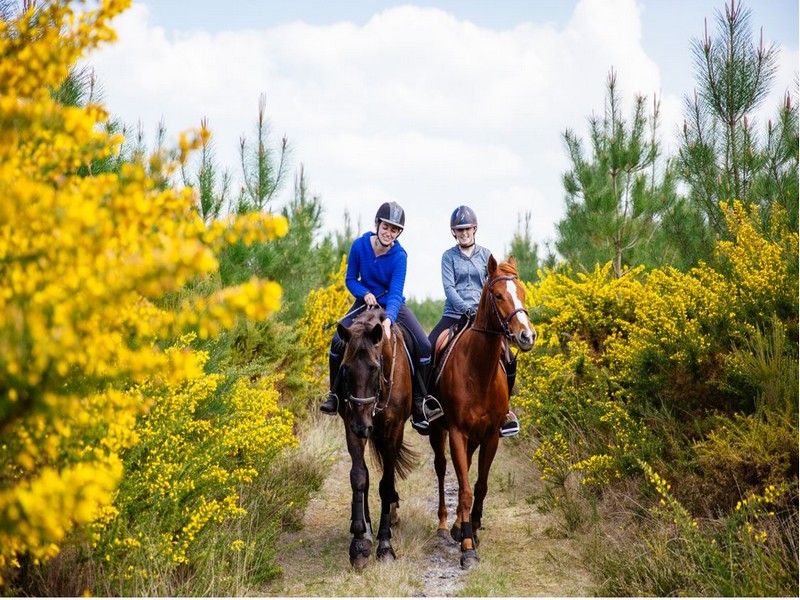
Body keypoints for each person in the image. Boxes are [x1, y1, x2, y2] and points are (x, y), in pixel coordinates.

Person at [320, 201, 443, 435]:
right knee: (337, 342)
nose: (389, 233)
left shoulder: (400, 256)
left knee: (425, 345)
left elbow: (396, 293)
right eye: (386, 227)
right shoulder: (359, 246)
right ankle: (334, 396)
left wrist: (388, 319)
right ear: (377, 224)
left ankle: (419, 402)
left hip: (391, 305)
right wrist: (363, 293)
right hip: (364, 303)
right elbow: (350, 280)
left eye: (395, 230)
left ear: (399, 233)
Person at [428, 205, 521, 437]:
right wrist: (465, 308)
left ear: (475, 229)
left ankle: (506, 411)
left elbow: (492, 286)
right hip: (453, 314)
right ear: (453, 232)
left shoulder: (486, 256)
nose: (464, 233)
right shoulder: (448, 257)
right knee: (429, 347)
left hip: (483, 317)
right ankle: (428, 403)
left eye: (467, 229)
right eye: (459, 230)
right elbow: (449, 288)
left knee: (509, 358)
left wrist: (479, 311)